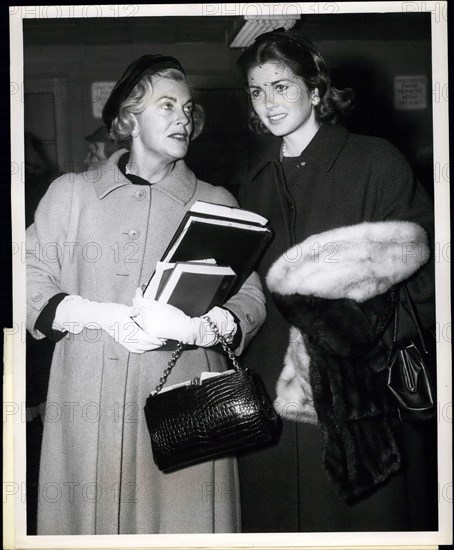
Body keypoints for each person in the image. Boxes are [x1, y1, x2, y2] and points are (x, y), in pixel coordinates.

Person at [26, 54, 266, 535]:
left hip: (185, 413)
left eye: (187, 107)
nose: (183, 116)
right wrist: (93, 313)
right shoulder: (71, 195)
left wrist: (201, 327)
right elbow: (26, 277)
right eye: (167, 105)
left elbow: (251, 298)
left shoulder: (216, 202)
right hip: (86, 411)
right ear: (128, 119)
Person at [237, 30, 437, 532]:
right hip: (272, 399)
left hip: (362, 395)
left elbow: (429, 279)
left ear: (317, 90)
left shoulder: (376, 162)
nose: (268, 102)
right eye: (257, 91)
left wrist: (357, 339)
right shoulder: (253, 181)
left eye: (281, 86)